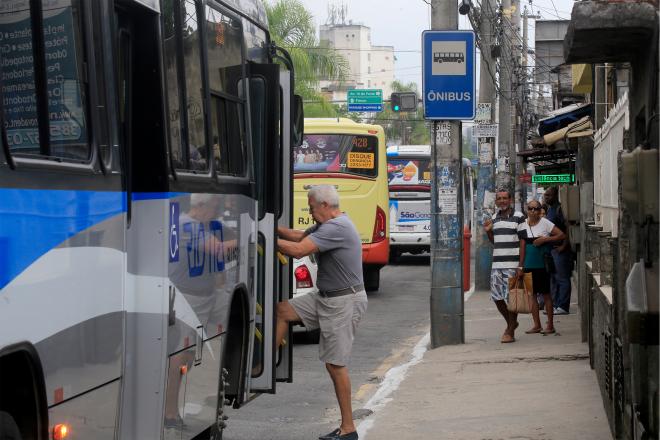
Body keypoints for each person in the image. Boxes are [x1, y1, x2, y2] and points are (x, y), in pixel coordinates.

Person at [275, 185, 367, 440]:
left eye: (312, 208)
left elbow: (298, 250)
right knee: (283, 311)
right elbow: (298, 236)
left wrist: (260, 238)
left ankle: (348, 428)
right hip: (326, 297)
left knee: (336, 365)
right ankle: (263, 369)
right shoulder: (329, 225)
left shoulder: (337, 228)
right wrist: (270, 228)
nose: (310, 212)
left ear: (325, 205)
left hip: (343, 302)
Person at [518, 199, 566, 334]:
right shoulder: (522, 225)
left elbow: (561, 235)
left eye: (536, 209)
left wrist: (545, 239)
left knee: (546, 295)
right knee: (531, 295)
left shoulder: (545, 223)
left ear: (540, 211)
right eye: (530, 208)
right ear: (527, 210)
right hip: (528, 264)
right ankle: (537, 325)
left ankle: (550, 325)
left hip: (542, 265)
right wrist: (520, 267)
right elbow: (522, 247)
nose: (533, 211)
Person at [484, 189, 525, 343]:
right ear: (496, 201)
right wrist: (488, 232)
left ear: (510, 200)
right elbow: (496, 242)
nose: (502, 201)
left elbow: (523, 242)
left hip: (513, 265)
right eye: (499, 199)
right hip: (497, 264)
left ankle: (510, 331)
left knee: (511, 298)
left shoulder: (519, 217)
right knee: (497, 297)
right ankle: (512, 323)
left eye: (505, 198)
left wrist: (520, 266)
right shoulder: (494, 218)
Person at [543, 187, 572, 315]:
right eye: (545, 195)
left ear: (555, 196)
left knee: (562, 278)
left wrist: (563, 246)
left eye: (548, 195)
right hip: (552, 250)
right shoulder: (550, 210)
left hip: (560, 251)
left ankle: (563, 306)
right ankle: (555, 305)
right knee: (554, 278)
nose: (546, 197)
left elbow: (568, 229)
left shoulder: (560, 210)